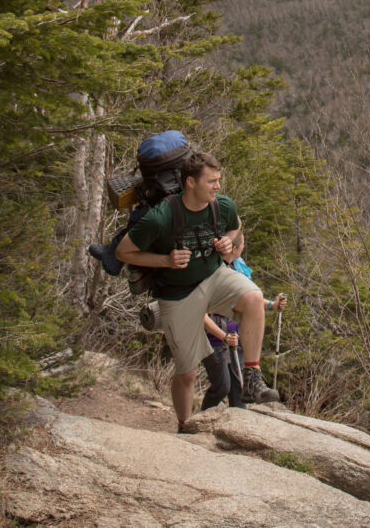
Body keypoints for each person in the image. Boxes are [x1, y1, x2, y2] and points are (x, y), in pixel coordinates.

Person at [115, 151, 280, 431]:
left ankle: (251, 378)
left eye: (218, 180)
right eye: (212, 181)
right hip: (177, 294)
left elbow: (235, 226)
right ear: (190, 182)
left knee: (253, 297)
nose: (218, 186)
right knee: (187, 372)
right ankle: (184, 425)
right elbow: (123, 251)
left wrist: (228, 242)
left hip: (213, 276)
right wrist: (165, 260)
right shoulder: (161, 216)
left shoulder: (222, 206)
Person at [201, 226, 289, 410]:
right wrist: (223, 336)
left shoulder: (238, 267)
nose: (244, 247)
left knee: (240, 389)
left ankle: (236, 427)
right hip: (215, 338)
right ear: (234, 247)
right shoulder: (211, 270)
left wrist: (272, 305)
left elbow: (250, 300)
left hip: (237, 338)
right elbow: (200, 311)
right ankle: (200, 421)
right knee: (222, 386)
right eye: (242, 243)